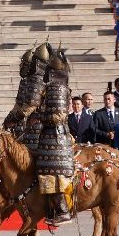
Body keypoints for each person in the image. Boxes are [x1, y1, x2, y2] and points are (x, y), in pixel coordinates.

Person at [32, 44, 74, 226]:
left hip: (56, 140)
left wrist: (39, 117)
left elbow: (58, 117)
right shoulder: (53, 87)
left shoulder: (58, 88)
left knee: (52, 173)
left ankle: (62, 210)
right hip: (50, 137)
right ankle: (51, 209)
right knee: (46, 173)